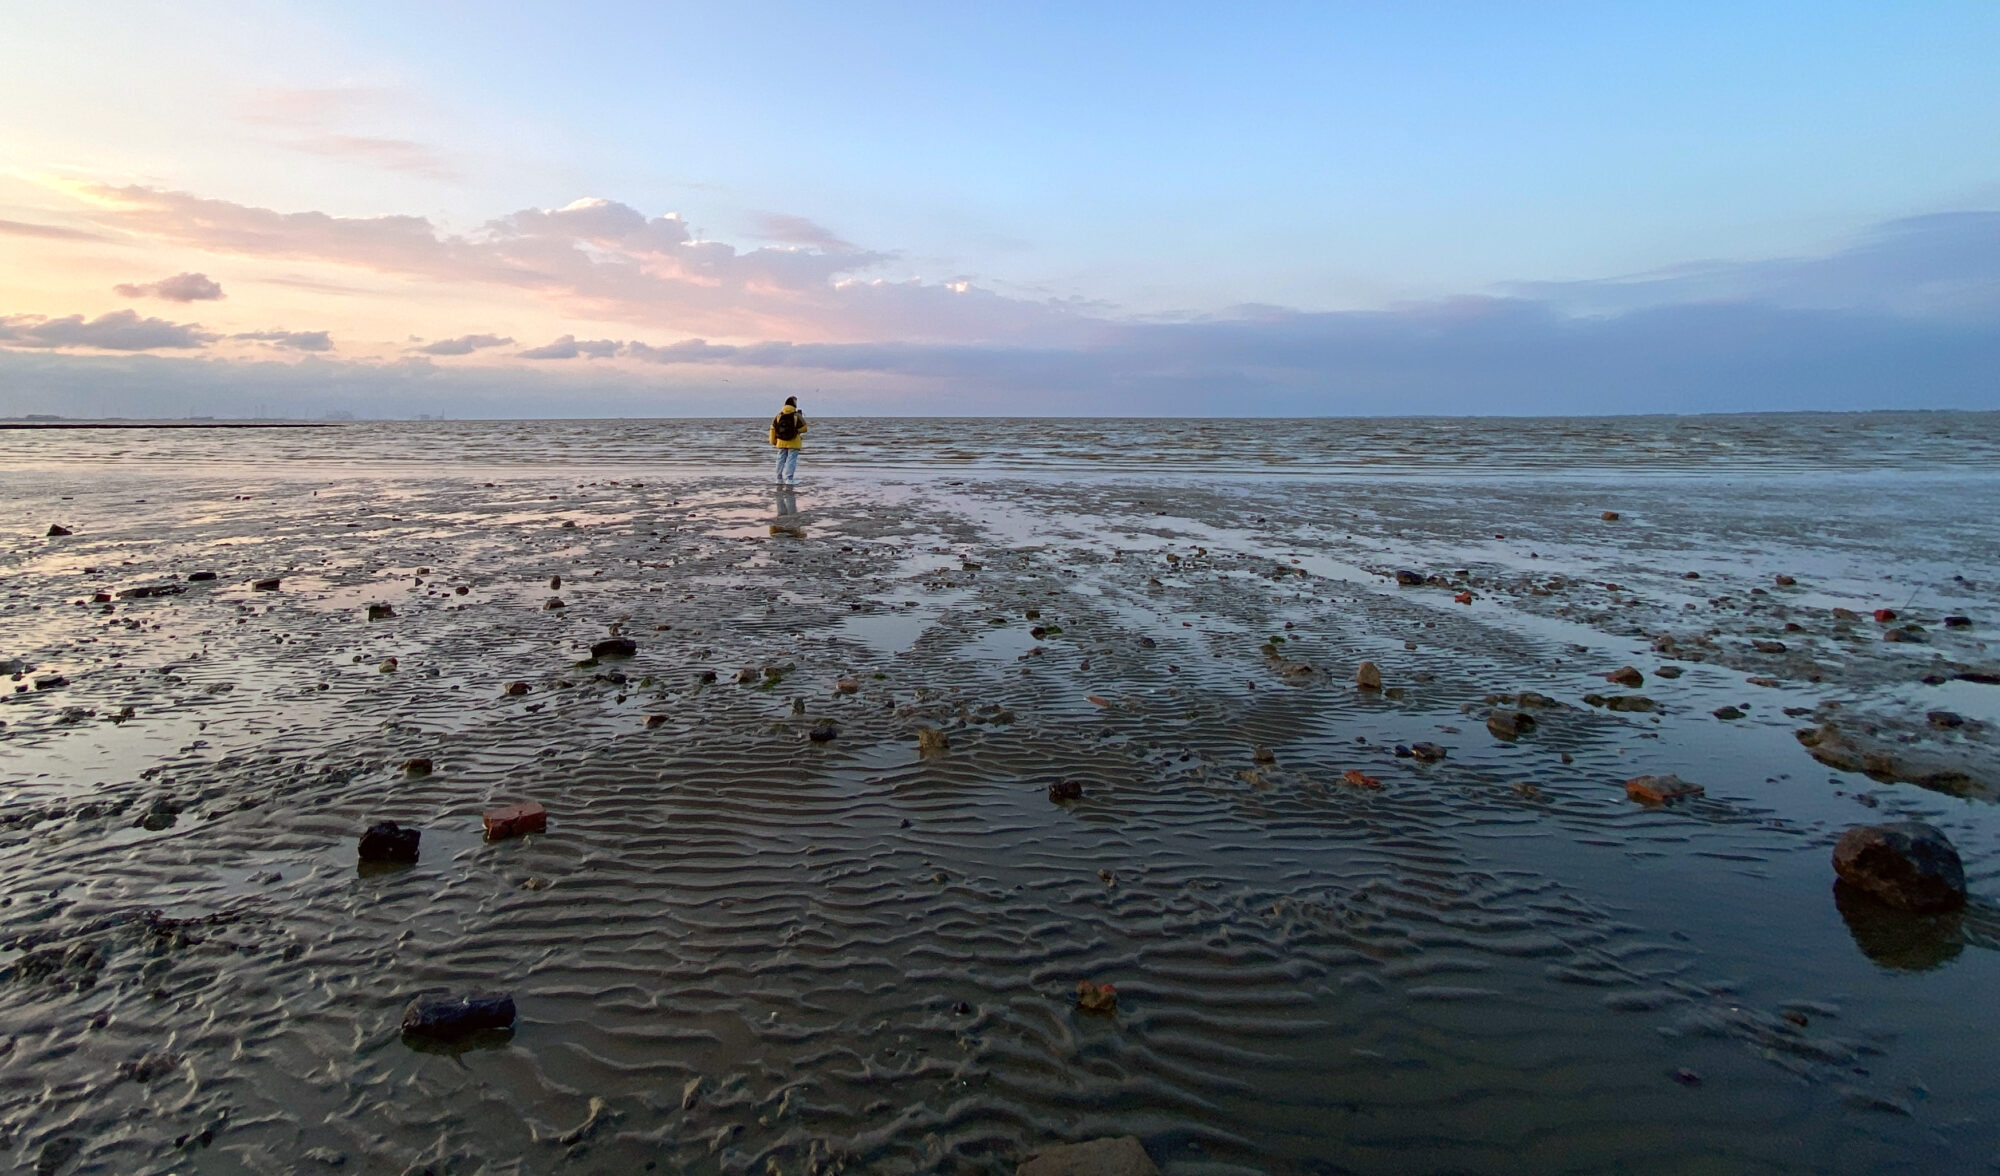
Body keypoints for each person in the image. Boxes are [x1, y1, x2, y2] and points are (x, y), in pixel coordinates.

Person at [769, 395, 807, 485]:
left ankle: (778, 478)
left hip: (781, 441)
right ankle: (789, 479)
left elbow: (773, 428)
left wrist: (773, 441)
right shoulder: (796, 415)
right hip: (794, 442)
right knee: (791, 460)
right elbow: (804, 428)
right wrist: (796, 430)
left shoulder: (778, 416)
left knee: (780, 459)